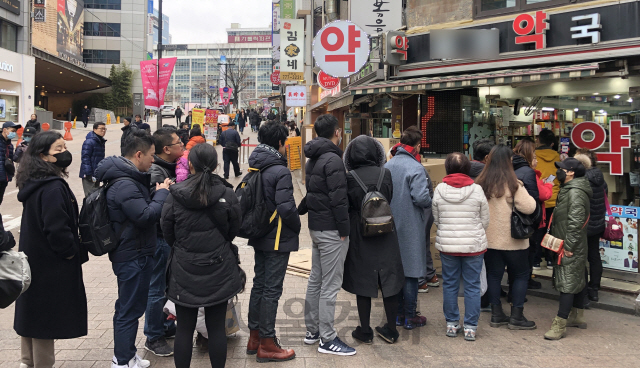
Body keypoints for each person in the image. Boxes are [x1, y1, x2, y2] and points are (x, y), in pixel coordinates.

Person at [161, 143, 244, 368]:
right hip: (218, 266)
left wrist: (184, 248)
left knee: (184, 329)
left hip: (184, 269)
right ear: (217, 165)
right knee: (216, 327)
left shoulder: (175, 194)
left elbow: (167, 231)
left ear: (189, 164)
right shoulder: (226, 193)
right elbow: (233, 229)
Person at [94, 130, 171, 368]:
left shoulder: (127, 179)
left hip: (134, 252)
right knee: (128, 310)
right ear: (138, 154)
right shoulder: (126, 184)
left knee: (130, 307)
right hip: (132, 255)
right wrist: (161, 194)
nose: (153, 160)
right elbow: (145, 216)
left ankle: (127, 354)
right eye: (150, 155)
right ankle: (122, 361)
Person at [14, 131, 88, 368]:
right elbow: (56, 228)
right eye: (58, 149)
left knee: (32, 316)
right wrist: (69, 251)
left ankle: (28, 362)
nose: (64, 152)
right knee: (46, 321)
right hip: (50, 266)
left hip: (34, 261)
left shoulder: (34, 183)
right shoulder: (53, 187)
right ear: (42, 156)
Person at [299, 114, 355, 356]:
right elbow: (338, 198)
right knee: (330, 285)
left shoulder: (314, 158)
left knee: (316, 279)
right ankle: (327, 338)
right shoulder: (332, 159)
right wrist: (344, 231)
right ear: (337, 132)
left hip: (317, 227)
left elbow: (313, 193)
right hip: (331, 229)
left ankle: (313, 331)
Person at [341, 135, 404, 344]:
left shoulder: (349, 177)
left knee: (363, 279)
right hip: (386, 231)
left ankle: (365, 330)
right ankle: (391, 329)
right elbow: (390, 198)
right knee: (390, 279)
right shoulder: (385, 173)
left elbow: (347, 205)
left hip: (360, 233)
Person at [246, 122, 300, 362]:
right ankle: (268, 343)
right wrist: (298, 226)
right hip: (277, 237)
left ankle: (254, 336)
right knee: (271, 290)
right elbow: (286, 207)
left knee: (259, 284)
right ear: (280, 143)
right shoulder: (279, 170)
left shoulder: (255, 166)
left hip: (259, 234)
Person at [476, 145, 537, 331]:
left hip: (490, 240)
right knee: (520, 275)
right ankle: (517, 316)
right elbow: (530, 207)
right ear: (508, 161)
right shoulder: (514, 184)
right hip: (514, 241)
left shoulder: (480, 184)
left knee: (494, 276)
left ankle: (497, 314)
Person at [433, 152, 489, 341]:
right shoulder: (477, 190)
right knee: (473, 285)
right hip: (473, 245)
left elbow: (437, 219)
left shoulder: (439, 189)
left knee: (449, 284)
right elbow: (485, 219)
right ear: (467, 168)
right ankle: (471, 327)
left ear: (448, 168)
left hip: (448, 246)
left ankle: (452, 324)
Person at [384, 126, 431, 330]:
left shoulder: (389, 165)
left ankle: (397, 315)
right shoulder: (416, 168)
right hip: (411, 224)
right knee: (411, 272)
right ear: (418, 145)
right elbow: (421, 198)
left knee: (396, 270)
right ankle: (410, 316)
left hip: (389, 225)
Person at [144, 129, 184, 357]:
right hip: (159, 238)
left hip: (169, 237)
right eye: (179, 143)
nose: (183, 145)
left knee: (167, 286)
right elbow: (162, 207)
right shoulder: (157, 172)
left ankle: (166, 326)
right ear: (166, 149)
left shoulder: (170, 167)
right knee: (156, 288)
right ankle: (153, 336)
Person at [544, 158, 592, 340]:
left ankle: (560, 324)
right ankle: (577, 315)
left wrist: (569, 246)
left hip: (570, 243)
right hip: (569, 241)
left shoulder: (575, 193)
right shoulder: (570, 189)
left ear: (571, 172)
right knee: (576, 275)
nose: (559, 171)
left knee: (567, 281)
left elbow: (576, 222)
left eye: (561, 169)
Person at [574, 149, 607, 302]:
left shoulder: (580, 180)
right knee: (594, 255)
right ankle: (594, 288)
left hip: (583, 224)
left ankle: (583, 290)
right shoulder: (600, 178)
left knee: (580, 257)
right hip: (598, 223)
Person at [511, 140, 541, 291]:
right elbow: (533, 201)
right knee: (527, 254)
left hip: (510, 218)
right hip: (524, 219)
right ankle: (517, 297)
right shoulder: (528, 172)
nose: (536, 158)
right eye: (534, 155)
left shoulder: (509, 169)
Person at [535, 129, 561, 267]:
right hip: (555, 197)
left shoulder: (534, 156)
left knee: (538, 230)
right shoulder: (557, 157)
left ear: (538, 140)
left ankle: (536, 260)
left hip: (540, 198)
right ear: (552, 143)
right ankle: (550, 259)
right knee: (552, 230)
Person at [79, 122, 107, 197]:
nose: (103, 131)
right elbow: (85, 158)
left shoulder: (100, 141)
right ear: (94, 129)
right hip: (89, 175)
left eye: (105, 129)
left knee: (96, 197)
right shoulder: (89, 142)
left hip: (96, 174)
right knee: (90, 198)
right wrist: (88, 174)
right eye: (101, 129)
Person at [0, 121, 20, 205]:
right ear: (5, 130)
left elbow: (11, 160)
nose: (14, 133)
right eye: (12, 130)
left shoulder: (10, 145)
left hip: (4, 178)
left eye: (15, 131)